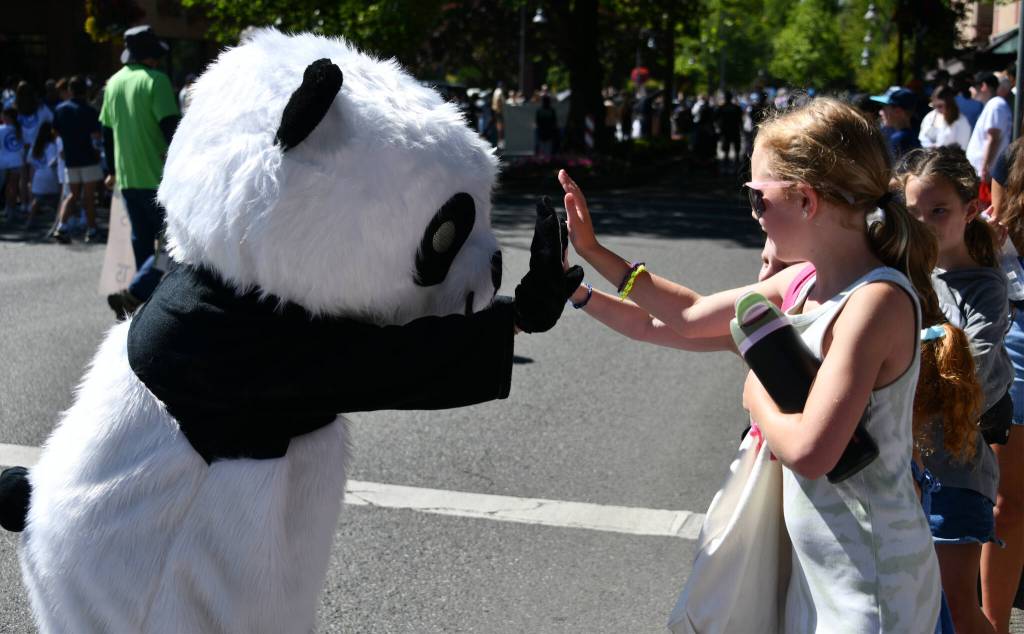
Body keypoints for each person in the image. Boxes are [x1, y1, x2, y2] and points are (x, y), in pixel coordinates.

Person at [560, 98, 953, 631]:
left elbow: (813, 452)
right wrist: (592, 258)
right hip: (814, 567)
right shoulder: (804, 283)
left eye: (757, 197)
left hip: (872, 579)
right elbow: (690, 315)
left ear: (807, 200)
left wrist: (756, 393)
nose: (753, 212)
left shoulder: (875, 302)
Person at [896, 146, 1008, 634]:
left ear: (970, 208)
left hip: (954, 472)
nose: (924, 224)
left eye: (938, 210)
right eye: (912, 213)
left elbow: (969, 367)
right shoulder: (901, 273)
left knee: (956, 609)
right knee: (913, 607)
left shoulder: (985, 287)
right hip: (902, 472)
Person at [100, 25, 181, 319]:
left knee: (142, 242)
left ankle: (143, 307)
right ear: (151, 56)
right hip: (158, 178)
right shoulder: (156, 81)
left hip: (127, 177)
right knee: (173, 243)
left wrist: (110, 169)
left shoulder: (113, 84)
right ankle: (137, 293)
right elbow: (172, 129)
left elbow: (107, 132)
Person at [985, 137, 1024, 634]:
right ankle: (990, 626)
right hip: (1015, 337)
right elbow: (994, 233)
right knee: (1008, 506)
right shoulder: (1013, 159)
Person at [52, 75, 102, 243]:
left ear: (70, 90)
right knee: (88, 196)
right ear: (85, 91)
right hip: (88, 157)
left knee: (72, 195)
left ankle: (62, 226)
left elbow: (56, 132)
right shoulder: (89, 110)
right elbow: (95, 135)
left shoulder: (60, 109)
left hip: (70, 157)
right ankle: (92, 228)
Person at [15, 81, 53, 216]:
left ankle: (23, 204)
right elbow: (51, 119)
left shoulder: (15, 107)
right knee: (32, 178)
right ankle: (32, 205)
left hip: (20, 146)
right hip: (36, 145)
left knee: (22, 178)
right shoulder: (40, 107)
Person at [967, 73, 1012, 187]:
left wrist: (985, 169)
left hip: (985, 175)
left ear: (983, 86)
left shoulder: (995, 105)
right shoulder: (993, 104)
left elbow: (993, 138)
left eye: (973, 86)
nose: (970, 89)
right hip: (983, 173)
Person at [25, 121, 60, 227]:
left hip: (38, 176)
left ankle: (29, 220)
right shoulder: (53, 146)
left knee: (37, 199)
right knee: (57, 200)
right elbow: (54, 162)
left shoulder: (35, 146)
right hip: (51, 175)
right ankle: (60, 221)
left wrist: (30, 181)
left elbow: (31, 165)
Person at [872, 86, 921, 160]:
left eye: (884, 108)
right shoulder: (912, 135)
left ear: (898, 111)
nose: (880, 112)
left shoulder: (899, 140)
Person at [919, 86, 972, 150]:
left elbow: (962, 146)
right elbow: (922, 136)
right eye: (934, 106)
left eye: (940, 106)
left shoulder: (961, 121)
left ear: (949, 104)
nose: (937, 110)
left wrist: (940, 148)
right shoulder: (930, 116)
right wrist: (930, 146)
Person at [0, 108, 24, 220]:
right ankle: (10, 209)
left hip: (3, 161)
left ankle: (7, 209)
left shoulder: (1, 129)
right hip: (17, 160)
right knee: (13, 187)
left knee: (5, 186)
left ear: (7, 117)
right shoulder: (20, 129)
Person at [715, 91, 743, 174]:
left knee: (727, 151)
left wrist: (719, 128)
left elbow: (716, 118)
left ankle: (727, 167)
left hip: (726, 131)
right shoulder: (736, 108)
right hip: (734, 130)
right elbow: (740, 120)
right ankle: (737, 168)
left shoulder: (722, 108)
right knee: (736, 150)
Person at [491, 80, 505, 149]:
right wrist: (500, 109)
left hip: (496, 110)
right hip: (499, 111)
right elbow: (499, 100)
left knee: (498, 126)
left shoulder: (496, 91)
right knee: (500, 127)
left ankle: (499, 141)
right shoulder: (499, 91)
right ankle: (500, 142)